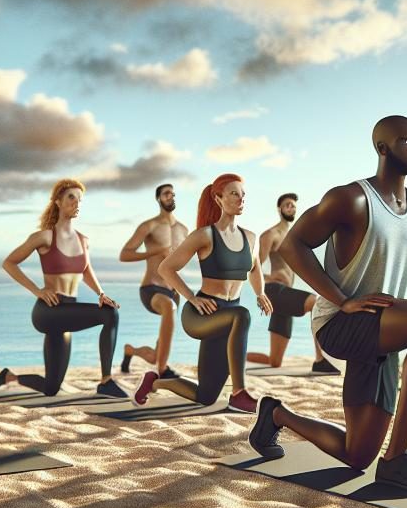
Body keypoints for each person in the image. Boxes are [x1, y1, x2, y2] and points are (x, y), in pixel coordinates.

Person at [247, 116, 407, 494]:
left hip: (381, 332)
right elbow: (293, 246)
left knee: (357, 455)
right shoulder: (351, 199)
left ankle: (275, 414)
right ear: (382, 148)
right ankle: (396, 460)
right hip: (340, 324)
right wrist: (343, 300)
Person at [134, 174, 272, 412]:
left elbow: (255, 268)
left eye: (243, 194)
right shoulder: (204, 235)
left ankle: (154, 382)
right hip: (202, 314)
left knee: (205, 396)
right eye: (234, 193)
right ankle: (239, 393)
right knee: (243, 315)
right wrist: (192, 297)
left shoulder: (251, 238)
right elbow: (166, 268)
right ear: (218, 198)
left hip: (229, 318)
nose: (241, 199)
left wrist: (260, 293)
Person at [0, 179, 124, 399]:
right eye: (71, 197)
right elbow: (9, 263)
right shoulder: (44, 236)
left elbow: (86, 270)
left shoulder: (83, 240)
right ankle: (106, 382)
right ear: (57, 201)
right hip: (48, 311)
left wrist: (101, 293)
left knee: (51, 388)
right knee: (110, 315)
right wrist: (37, 291)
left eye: (80, 199)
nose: (76, 202)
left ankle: (7, 377)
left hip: (68, 311)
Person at [245, 193, 336, 374]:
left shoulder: (295, 236)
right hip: (273, 292)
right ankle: (320, 360)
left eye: (293, 205)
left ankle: (233, 352)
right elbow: (253, 267)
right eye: (287, 205)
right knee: (316, 303)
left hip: (285, 296)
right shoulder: (270, 235)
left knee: (275, 361)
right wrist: (270, 279)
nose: (291, 208)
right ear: (279, 209)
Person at [117, 183, 187, 380]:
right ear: (158, 198)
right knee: (169, 307)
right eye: (166, 194)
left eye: (173, 194)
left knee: (155, 355)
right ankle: (163, 371)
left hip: (173, 290)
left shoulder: (183, 229)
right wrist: (156, 251)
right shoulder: (150, 226)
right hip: (151, 287)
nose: (170, 197)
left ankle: (131, 351)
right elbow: (125, 254)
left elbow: (188, 257)